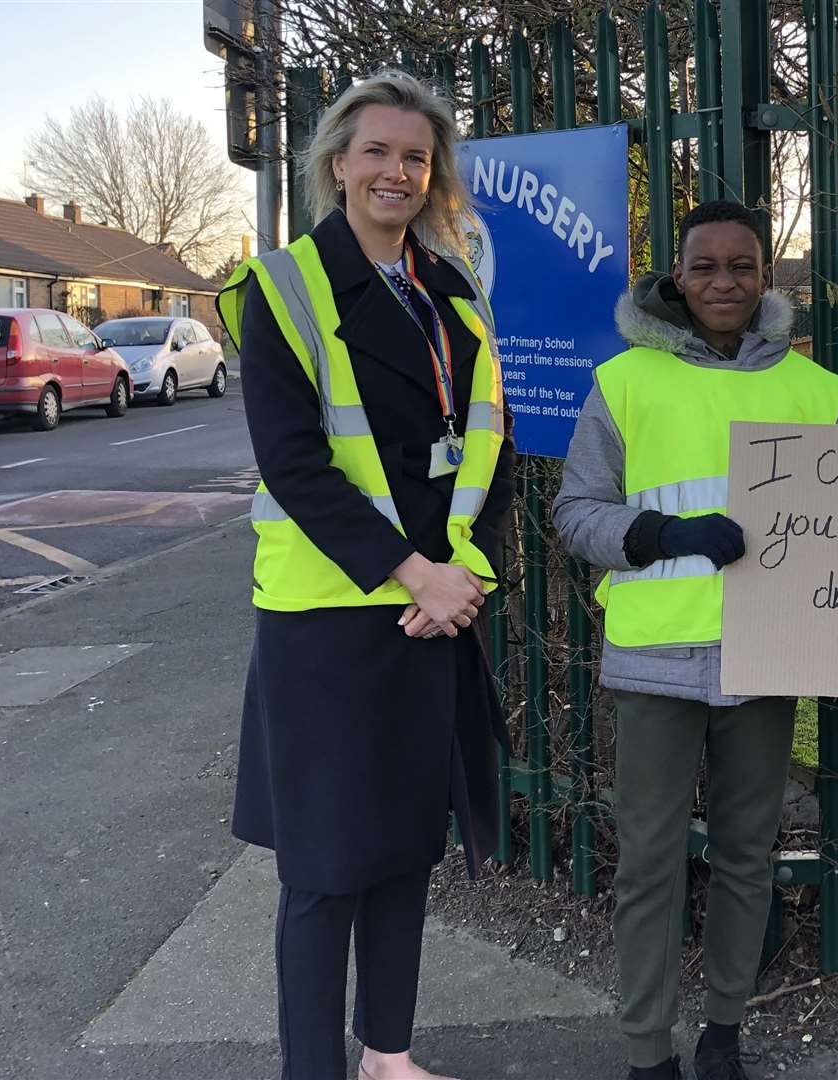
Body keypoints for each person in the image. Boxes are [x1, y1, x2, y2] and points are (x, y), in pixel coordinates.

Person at [218, 70, 515, 1080]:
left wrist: (455, 578)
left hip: (429, 614)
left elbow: (483, 452)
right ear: (337, 163)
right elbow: (296, 463)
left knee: (402, 853)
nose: (396, 171)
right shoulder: (284, 286)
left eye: (416, 157)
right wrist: (412, 575)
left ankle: (385, 1057)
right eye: (377, 152)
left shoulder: (450, 294)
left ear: (434, 179)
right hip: (331, 621)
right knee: (323, 874)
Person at [552, 200, 838, 1080]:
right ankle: (648, 1052)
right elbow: (576, 511)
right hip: (655, 661)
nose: (724, 281)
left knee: (746, 857)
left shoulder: (813, 389)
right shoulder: (624, 381)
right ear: (675, 276)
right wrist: (658, 536)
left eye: (742, 266)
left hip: (765, 653)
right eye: (705, 266)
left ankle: (725, 1032)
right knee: (647, 864)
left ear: (767, 277)